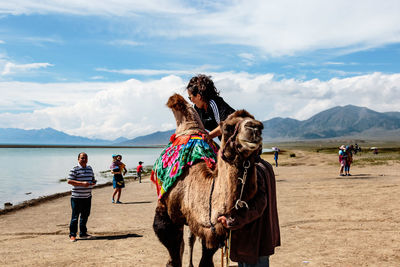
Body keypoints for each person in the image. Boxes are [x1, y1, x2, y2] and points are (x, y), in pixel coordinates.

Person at [218, 158, 280, 266]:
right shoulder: (265, 165)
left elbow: (259, 204)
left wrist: (231, 221)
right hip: (260, 239)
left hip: (251, 241)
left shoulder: (253, 171)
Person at [186, 74, 235, 141]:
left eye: (190, 97)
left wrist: (209, 136)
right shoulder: (197, 109)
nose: (191, 100)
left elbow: (225, 125)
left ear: (198, 96)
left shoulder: (214, 103)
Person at [67, 152, 97, 242]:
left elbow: (92, 178)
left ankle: (83, 233)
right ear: (78, 159)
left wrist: (94, 182)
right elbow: (69, 181)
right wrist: (82, 184)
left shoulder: (89, 168)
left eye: (85, 158)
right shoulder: (74, 169)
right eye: (82, 158)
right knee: (75, 217)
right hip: (76, 197)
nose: (84, 160)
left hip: (87, 197)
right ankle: (72, 235)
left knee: (85, 215)